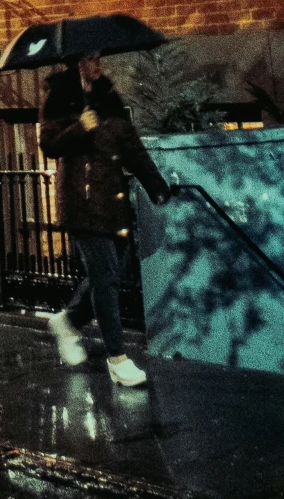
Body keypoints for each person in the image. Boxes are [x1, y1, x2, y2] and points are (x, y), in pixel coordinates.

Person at [38, 51, 171, 385]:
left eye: (99, 58)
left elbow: (132, 147)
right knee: (106, 279)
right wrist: (79, 128)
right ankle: (118, 358)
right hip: (82, 205)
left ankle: (67, 322)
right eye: (91, 59)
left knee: (111, 273)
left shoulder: (107, 96)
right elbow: (49, 145)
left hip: (112, 203)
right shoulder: (59, 98)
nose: (98, 65)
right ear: (77, 62)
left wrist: (157, 187)